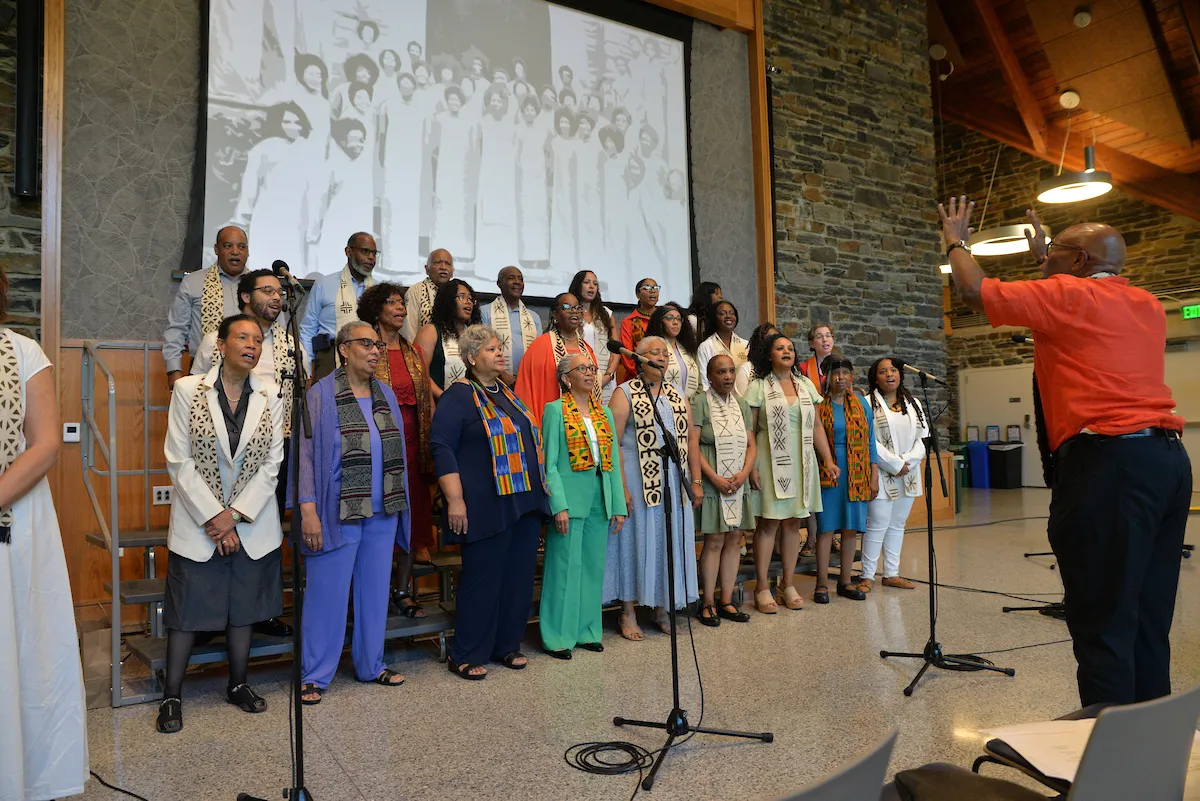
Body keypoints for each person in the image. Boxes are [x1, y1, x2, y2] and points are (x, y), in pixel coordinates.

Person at [941, 196, 1190, 706]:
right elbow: (1075, 306)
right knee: (1146, 614)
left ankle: (1110, 765)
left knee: (1102, 619)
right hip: (1166, 464)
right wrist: (1046, 257)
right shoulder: (1144, 303)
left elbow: (970, 289)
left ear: (1077, 263)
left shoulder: (1065, 297)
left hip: (1110, 466)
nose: (1048, 255)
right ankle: (1150, 752)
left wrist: (956, 240)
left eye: (1057, 250)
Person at [160, 315, 285, 733]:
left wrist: (234, 516)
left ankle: (238, 685)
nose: (252, 345)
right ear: (221, 344)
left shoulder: (271, 393)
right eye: (243, 337)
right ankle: (172, 695)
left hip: (249, 523)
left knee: (243, 609)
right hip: (200, 522)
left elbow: (273, 464)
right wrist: (215, 517)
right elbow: (179, 459)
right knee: (185, 610)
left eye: (258, 339)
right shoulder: (187, 389)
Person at [0, 270, 88, 796]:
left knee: (21, 648)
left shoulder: (22, 352)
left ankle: (21, 773)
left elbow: (46, 445)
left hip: (14, 517)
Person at [296, 322, 411, 704]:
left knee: (375, 593)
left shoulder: (387, 394)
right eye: (367, 344)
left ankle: (370, 664)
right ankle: (315, 674)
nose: (376, 350)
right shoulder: (321, 395)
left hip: (383, 511)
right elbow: (306, 457)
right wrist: (308, 510)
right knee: (326, 595)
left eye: (378, 344)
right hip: (337, 511)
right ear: (344, 350)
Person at [431, 325, 549, 679]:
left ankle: (506, 646)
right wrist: (455, 501)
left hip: (523, 501)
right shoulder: (459, 395)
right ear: (470, 358)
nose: (501, 354)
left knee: (517, 579)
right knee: (483, 580)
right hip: (485, 504)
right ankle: (466, 652)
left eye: (501, 348)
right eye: (491, 350)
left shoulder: (508, 393)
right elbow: (441, 446)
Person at [605, 336, 702, 641]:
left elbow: (690, 441)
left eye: (665, 352)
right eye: (655, 352)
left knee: (667, 540)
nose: (662, 357)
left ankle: (662, 606)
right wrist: (621, 487)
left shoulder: (676, 394)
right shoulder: (625, 393)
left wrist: (695, 481)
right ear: (638, 358)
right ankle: (628, 610)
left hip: (673, 478)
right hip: (636, 475)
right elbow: (613, 442)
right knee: (636, 541)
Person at [540, 353, 627, 658]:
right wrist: (558, 505)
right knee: (564, 569)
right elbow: (548, 464)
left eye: (592, 368)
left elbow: (613, 461)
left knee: (592, 568)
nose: (590, 373)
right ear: (566, 378)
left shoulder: (602, 413)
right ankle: (557, 636)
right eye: (583, 369)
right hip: (569, 500)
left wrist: (618, 504)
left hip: (599, 499)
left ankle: (587, 631)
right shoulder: (554, 411)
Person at [745, 333, 838, 613]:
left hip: (801, 461)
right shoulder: (758, 387)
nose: (786, 352)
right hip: (770, 459)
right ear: (769, 356)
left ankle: (787, 583)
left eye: (790, 348)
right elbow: (750, 430)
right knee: (769, 524)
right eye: (779, 348)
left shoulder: (805, 384)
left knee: (792, 524)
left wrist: (828, 460)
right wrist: (750, 467)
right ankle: (762, 586)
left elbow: (817, 427)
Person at [358, 283, 436, 603]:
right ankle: (373, 593)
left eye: (402, 302)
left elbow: (425, 402)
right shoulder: (363, 348)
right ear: (377, 310)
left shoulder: (414, 352)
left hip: (412, 449)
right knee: (382, 522)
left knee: (410, 519)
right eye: (392, 302)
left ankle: (402, 591)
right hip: (378, 450)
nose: (400, 307)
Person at [692, 355, 756, 627]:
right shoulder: (698, 402)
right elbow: (692, 444)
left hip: (737, 481)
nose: (728, 376)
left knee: (735, 540)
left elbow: (751, 445)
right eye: (721, 372)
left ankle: (727, 600)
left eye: (732, 371)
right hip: (711, 479)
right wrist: (713, 477)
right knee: (715, 540)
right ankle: (707, 602)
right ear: (710, 376)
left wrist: (744, 474)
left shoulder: (741, 403)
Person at [860, 357, 928, 592]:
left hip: (908, 472)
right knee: (877, 524)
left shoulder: (914, 403)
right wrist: (894, 464)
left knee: (898, 524)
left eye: (893, 370)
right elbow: (869, 441)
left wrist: (907, 462)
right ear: (875, 378)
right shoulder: (867, 403)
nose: (890, 374)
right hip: (882, 471)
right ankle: (867, 576)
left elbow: (921, 439)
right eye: (883, 371)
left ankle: (891, 573)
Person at [814, 352, 878, 604]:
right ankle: (821, 583)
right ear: (827, 377)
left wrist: (873, 474)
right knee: (826, 528)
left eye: (845, 373)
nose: (841, 378)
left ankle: (844, 582)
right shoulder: (819, 404)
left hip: (858, 471)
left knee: (851, 529)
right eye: (835, 373)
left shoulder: (861, 403)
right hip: (829, 471)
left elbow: (871, 439)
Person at [231, 103, 312, 274]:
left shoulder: (307, 149)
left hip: (297, 216)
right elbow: (251, 184)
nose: (292, 126)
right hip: (268, 214)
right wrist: (243, 216)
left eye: (297, 122)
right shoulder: (263, 148)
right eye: (287, 121)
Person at [164, 225, 248, 389]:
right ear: (216, 249)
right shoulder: (193, 282)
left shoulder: (259, 287)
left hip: (250, 372)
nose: (235, 252)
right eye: (228, 246)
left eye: (241, 246)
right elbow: (176, 329)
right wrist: (173, 370)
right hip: (203, 369)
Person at [299, 232, 379, 379]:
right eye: (365, 251)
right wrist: (308, 367)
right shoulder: (325, 283)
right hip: (330, 357)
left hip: (369, 357)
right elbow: (308, 328)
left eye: (374, 253)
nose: (371, 258)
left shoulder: (378, 289)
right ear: (348, 252)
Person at [515, 293, 600, 425]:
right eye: (567, 307)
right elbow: (526, 392)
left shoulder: (587, 350)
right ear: (555, 315)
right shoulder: (540, 346)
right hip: (553, 423)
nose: (574, 311)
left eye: (577, 307)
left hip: (586, 424)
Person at [307, 120, 374, 265]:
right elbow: (320, 202)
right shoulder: (332, 167)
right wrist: (313, 235)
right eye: (354, 140)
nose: (359, 144)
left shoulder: (365, 168)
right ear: (343, 141)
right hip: (333, 230)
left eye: (362, 140)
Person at [414, 278, 481, 400]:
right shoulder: (431, 331)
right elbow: (419, 372)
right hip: (439, 404)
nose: (468, 302)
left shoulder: (474, 335)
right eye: (462, 297)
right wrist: (445, 398)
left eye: (471, 299)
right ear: (448, 301)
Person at [480, 266, 541, 386]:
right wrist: (503, 375)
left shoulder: (533, 318)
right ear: (499, 283)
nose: (517, 282)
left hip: (527, 382)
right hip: (494, 381)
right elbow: (482, 349)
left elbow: (537, 354)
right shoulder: (485, 312)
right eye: (511, 278)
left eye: (520, 279)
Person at [570, 270, 620, 401]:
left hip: (606, 378)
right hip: (579, 376)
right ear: (578, 286)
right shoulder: (571, 314)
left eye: (595, 283)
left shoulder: (607, 314)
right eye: (587, 282)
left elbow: (616, 350)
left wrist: (608, 376)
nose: (591, 286)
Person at [515, 94, 551, 264]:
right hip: (524, 179)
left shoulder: (543, 131)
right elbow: (516, 155)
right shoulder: (518, 131)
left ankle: (541, 256)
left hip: (539, 178)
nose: (530, 112)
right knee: (525, 217)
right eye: (526, 109)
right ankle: (526, 257)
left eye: (532, 109)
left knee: (540, 217)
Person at [647, 301, 700, 400]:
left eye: (679, 319)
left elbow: (699, 382)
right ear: (660, 321)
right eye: (670, 318)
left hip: (691, 404)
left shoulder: (689, 348)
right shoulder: (651, 348)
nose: (675, 322)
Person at [401, 248, 455, 342]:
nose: (443, 267)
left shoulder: (458, 293)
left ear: (452, 271)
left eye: (448, 263)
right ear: (427, 269)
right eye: (438, 262)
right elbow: (408, 331)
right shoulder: (415, 291)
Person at [696, 300, 748, 390]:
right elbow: (704, 382)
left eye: (732, 313)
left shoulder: (746, 345)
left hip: (744, 400)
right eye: (722, 313)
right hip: (716, 401)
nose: (728, 316)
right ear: (714, 318)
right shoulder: (706, 346)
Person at [616, 277, 659, 381]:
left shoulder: (664, 318)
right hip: (638, 378)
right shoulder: (629, 322)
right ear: (638, 295)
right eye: (647, 287)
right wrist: (646, 375)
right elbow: (627, 356)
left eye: (655, 288)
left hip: (667, 375)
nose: (652, 290)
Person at [735, 322, 777, 397]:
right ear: (760, 343)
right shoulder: (747, 369)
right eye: (770, 338)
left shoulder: (784, 369)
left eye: (777, 337)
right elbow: (741, 403)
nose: (775, 341)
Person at [798, 322, 835, 394]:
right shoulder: (804, 368)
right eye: (819, 337)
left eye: (828, 336)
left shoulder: (842, 364)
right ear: (811, 344)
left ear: (833, 340)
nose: (824, 339)